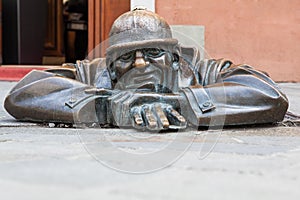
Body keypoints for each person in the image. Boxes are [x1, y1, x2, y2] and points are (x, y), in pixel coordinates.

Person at [4, 8, 288, 131]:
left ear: (175, 59)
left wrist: (179, 105)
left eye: (153, 53)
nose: (139, 63)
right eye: (127, 57)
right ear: (112, 65)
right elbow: (25, 92)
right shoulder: (95, 70)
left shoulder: (201, 68)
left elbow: (266, 93)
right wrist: (107, 106)